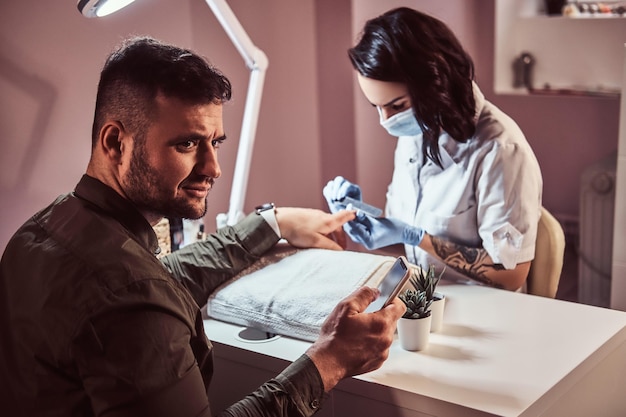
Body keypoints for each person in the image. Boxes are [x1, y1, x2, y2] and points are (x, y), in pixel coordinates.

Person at [0, 36, 405, 416]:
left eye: (217, 142)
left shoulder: (42, 230)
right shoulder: (130, 298)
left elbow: (161, 277)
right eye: (187, 144)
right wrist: (329, 362)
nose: (213, 168)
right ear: (114, 143)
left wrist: (272, 222)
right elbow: (139, 291)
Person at [324, 7, 542, 291]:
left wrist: (417, 236)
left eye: (397, 106)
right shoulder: (416, 134)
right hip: (424, 297)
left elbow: (510, 275)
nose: (385, 121)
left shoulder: (500, 150)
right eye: (376, 107)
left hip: (486, 311)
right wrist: (366, 222)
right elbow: (411, 249)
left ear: (435, 83)